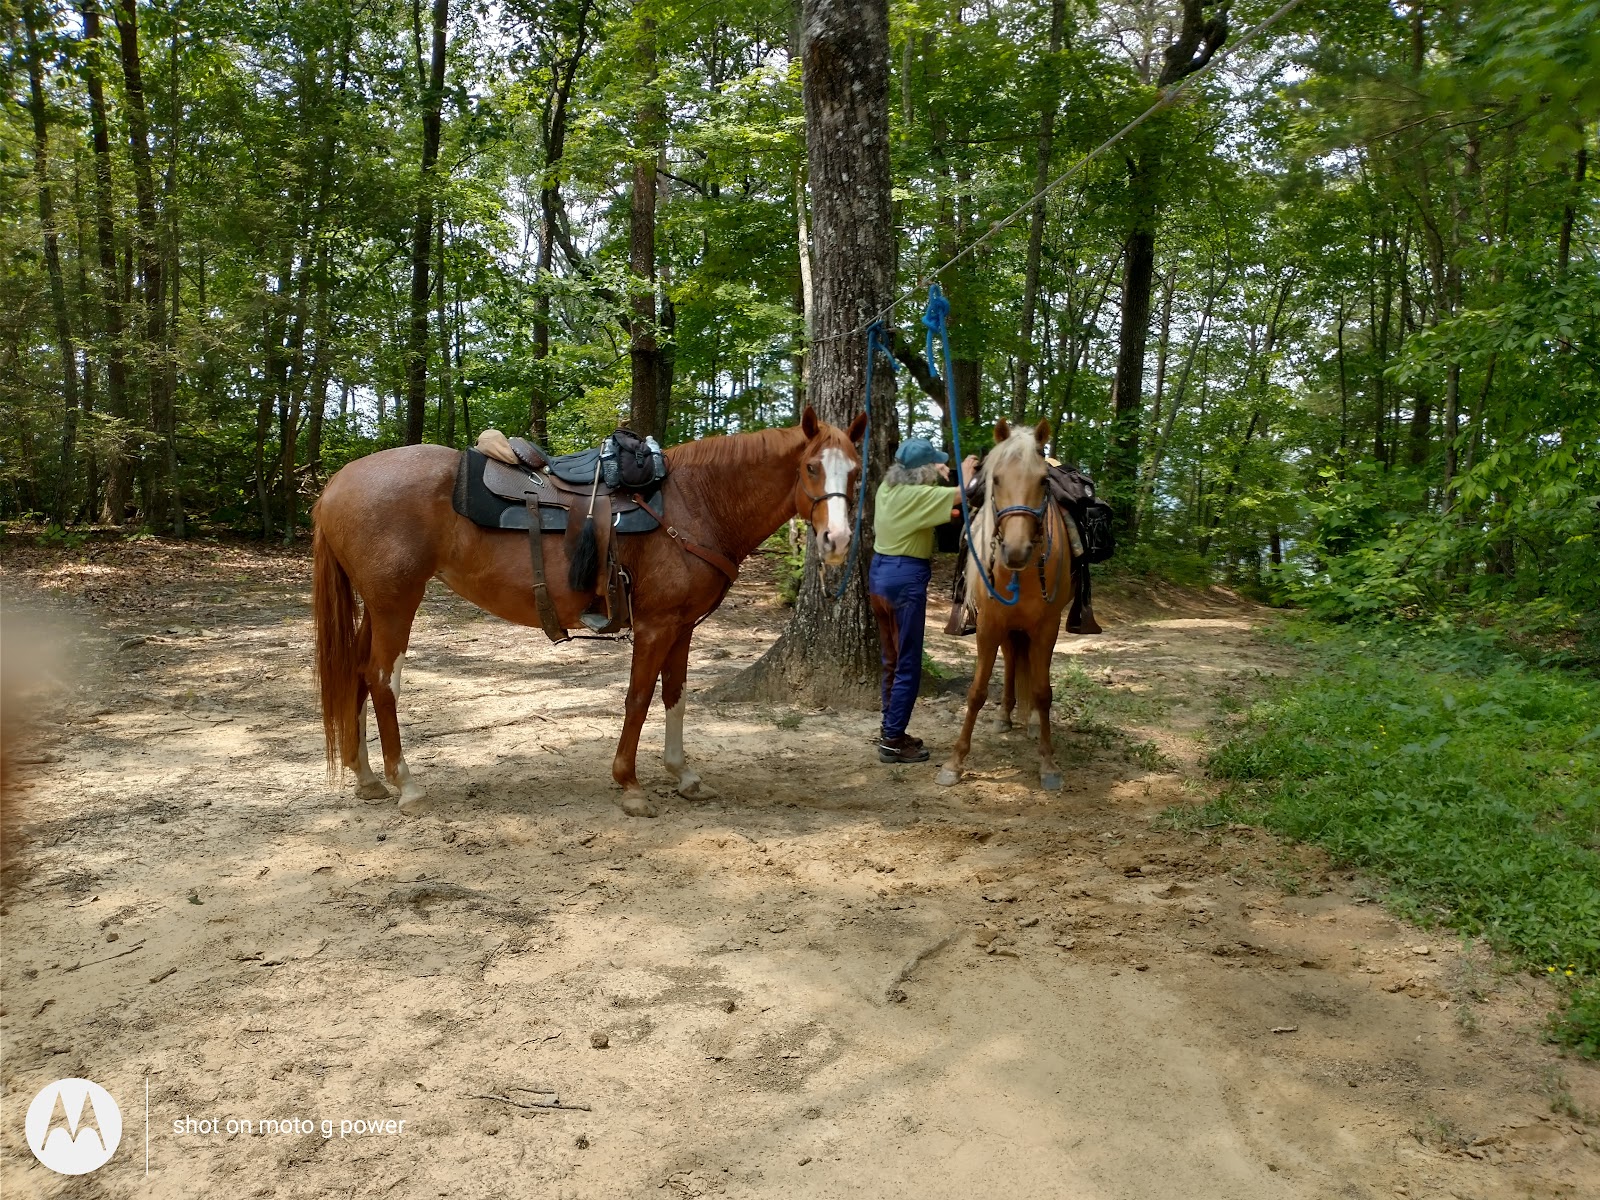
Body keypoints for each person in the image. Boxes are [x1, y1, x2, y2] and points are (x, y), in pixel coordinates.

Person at [869, 438, 978, 764]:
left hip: (879, 575)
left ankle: (891, 729)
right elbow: (967, 493)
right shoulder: (918, 496)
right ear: (923, 471)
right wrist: (967, 471)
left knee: (891, 658)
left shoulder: (887, 490)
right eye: (934, 464)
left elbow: (939, 500)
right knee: (907, 664)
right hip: (905, 580)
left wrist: (935, 471)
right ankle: (892, 740)